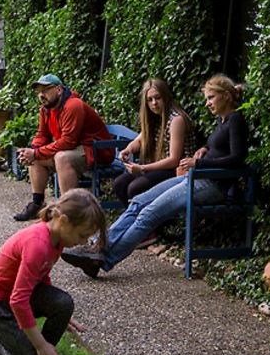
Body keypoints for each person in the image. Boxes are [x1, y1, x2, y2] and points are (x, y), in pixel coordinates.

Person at [61, 74, 248, 278]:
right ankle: (98, 246)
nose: (208, 103)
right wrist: (204, 149)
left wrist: (200, 162)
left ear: (227, 96)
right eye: (207, 98)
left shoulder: (236, 119)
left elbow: (238, 158)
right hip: (196, 178)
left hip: (212, 185)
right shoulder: (224, 120)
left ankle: (104, 258)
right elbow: (220, 148)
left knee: (149, 213)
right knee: (139, 202)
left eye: (211, 97)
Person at [0, 189, 107, 355]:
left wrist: (55, 309)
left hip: (16, 296)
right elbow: (18, 301)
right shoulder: (37, 243)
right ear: (63, 220)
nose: (82, 242)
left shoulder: (57, 239)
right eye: (82, 235)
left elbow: (40, 275)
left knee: (63, 304)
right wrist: (40, 344)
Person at [13, 74, 115, 221]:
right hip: (76, 149)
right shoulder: (46, 109)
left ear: (59, 90)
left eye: (46, 90)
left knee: (61, 158)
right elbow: (42, 134)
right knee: (36, 158)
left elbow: (68, 141)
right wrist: (32, 151)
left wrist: (36, 153)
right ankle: (37, 204)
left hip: (97, 150)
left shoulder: (73, 105)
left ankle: (69, 212)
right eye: (39, 91)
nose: (42, 95)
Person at [113, 78, 198, 206]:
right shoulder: (154, 118)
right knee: (119, 184)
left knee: (135, 188)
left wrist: (142, 168)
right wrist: (128, 150)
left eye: (158, 98)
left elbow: (174, 160)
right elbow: (140, 140)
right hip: (160, 167)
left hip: (177, 171)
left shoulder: (176, 120)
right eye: (149, 100)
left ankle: (153, 221)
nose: (154, 103)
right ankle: (136, 219)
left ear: (165, 97)